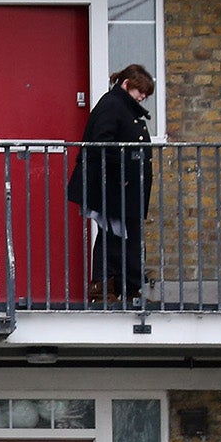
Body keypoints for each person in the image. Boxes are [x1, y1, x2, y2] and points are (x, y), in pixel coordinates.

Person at [65, 64, 155, 304]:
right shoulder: (112, 104)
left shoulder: (123, 106)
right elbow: (101, 143)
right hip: (115, 186)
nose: (143, 97)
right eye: (141, 91)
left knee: (126, 237)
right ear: (127, 84)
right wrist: (123, 169)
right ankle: (104, 290)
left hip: (124, 188)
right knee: (113, 237)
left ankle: (128, 289)